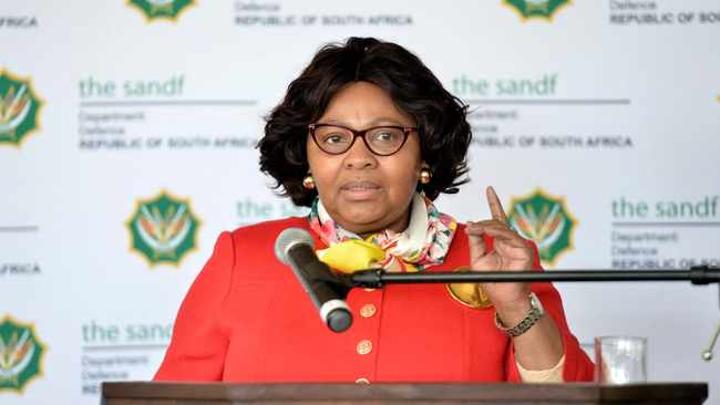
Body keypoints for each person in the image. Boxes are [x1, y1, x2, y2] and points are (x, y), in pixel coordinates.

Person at [154, 37, 594, 383]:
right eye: (334, 138)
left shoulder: (495, 261)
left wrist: (516, 308)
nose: (358, 158)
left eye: (385, 136)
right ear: (307, 160)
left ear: (424, 155)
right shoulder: (242, 257)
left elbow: (570, 397)